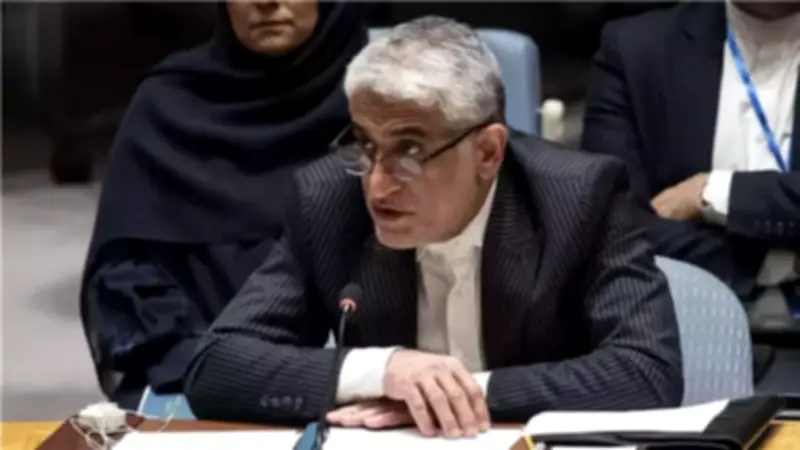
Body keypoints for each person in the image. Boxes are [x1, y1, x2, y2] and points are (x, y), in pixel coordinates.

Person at [183, 16, 683, 436]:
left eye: (411, 150)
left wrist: (457, 393)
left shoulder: (578, 197)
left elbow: (646, 370)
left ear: (487, 152)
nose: (377, 185)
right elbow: (216, 367)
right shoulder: (328, 199)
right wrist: (384, 370)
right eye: (365, 144)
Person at [80, 0, 367, 409]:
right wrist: (204, 364)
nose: (265, 2)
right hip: (203, 379)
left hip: (378, 382)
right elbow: (125, 273)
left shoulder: (383, 103)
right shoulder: (169, 103)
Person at [582, 2, 799, 342]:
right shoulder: (635, 50)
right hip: (677, 333)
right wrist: (775, 261)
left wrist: (714, 192)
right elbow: (615, 225)